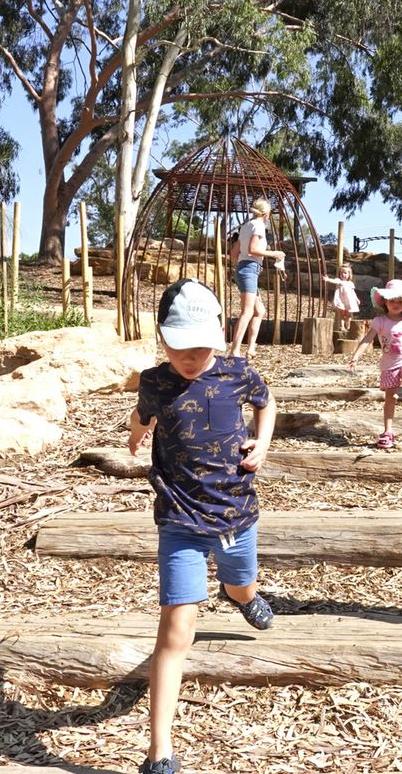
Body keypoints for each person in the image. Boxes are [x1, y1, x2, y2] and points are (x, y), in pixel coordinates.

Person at [127, 278, 277, 774]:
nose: (190, 358)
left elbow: (267, 402)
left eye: (201, 348)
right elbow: (142, 412)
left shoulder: (237, 373)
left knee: (239, 585)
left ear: (216, 337)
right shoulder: (155, 380)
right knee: (176, 630)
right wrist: (136, 430)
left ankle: (244, 599)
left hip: (235, 514)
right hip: (179, 521)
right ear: (162, 338)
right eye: (179, 347)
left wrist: (262, 442)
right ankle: (159, 751)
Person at [347, 278, 402, 450]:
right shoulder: (380, 321)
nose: (395, 304)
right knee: (390, 397)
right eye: (392, 300)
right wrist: (356, 356)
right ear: (385, 302)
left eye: (400, 301)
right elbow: (367, 339)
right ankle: (388, 432)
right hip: (389, 364)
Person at [229, 198, 285, 358]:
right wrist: (274, 253)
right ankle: (235, 351)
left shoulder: (246, 226)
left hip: (243, 268)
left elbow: (234, 254)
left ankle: (251, 348)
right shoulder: (259, 226)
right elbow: (253, 250)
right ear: (266, 213)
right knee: (247, 312)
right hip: (249, 269)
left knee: (259, 311)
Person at [323, 262, 360, 331]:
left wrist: (357, 299)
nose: (343, 274)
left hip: (349, 301)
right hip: (341, 301)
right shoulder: (339, 281)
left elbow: (353, 292)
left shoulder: (350, 283)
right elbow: (334, 281)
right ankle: (342, 327)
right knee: (341, 314)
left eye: (345, 273)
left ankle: (348, 327)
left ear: (349, 275)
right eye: (341, 273)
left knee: (348, 315)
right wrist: (328, 279)